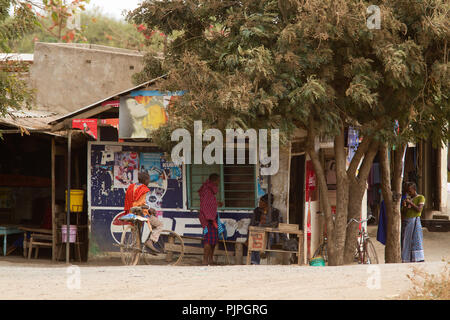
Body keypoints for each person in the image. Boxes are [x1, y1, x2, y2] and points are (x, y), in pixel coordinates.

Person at [124, 171, 164, 253]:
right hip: (141, 213)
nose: (149, 182)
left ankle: (136, 244)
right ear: (145, 180)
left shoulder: (131, 186)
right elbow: (141, 204)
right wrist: (150, 209)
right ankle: (150, 241)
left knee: (136, 230)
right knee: (160, 225)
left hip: (131, 212)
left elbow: (131, 201)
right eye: (148, 180)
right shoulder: (143, 189)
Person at [249, 193, 281, 265]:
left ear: (266, 203)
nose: (259, 203)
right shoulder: (257, 211)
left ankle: (262, 252)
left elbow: (277, 224)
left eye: (261, 201)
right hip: (257, 235)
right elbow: (252, 224)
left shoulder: (276, 212)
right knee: (256, 238)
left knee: (265, 237)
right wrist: (248, 238)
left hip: (270, 235)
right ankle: (254, 262)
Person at [198, 173, 223, 265]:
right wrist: (210, 217)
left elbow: (210, 203)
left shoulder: (210, 190)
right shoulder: (207, 190)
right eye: (218, 181)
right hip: (207, 219)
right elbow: (205, 206)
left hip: (212, 217)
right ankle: (205, 260)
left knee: (214, 240)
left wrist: (217, 204)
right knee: (208, 240)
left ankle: (211, 259)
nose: (219, 183)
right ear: (214, 181)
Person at [401, 182, 425, 263]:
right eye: (407, 191)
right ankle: (407, 258)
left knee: (416, 239)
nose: (408, 193)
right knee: (407, 240)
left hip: (415, 221)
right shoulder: (408, 199)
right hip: (407, 221)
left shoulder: (420, 197)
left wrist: (410, 203)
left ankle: (418, 258)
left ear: (414, 190)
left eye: (410, 191)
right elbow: (404, 212)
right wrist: (405, 205)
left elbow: (419, 209)